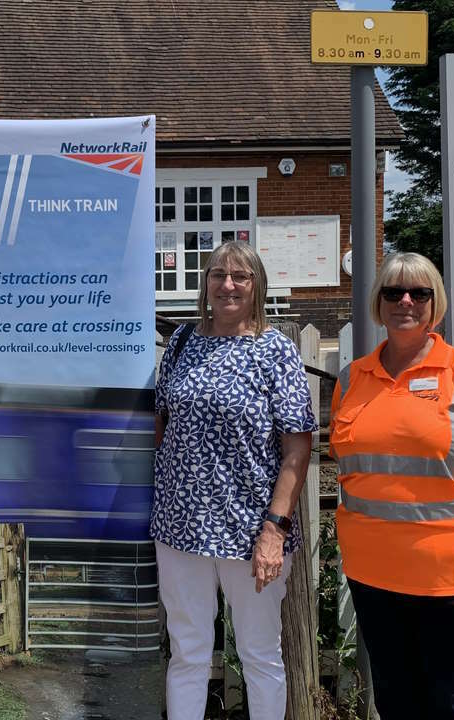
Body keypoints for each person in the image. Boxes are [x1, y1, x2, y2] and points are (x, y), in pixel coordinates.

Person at [330, 252, 454, 720]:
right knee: (396, 700)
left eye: (418, 293)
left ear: (434, 303)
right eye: (393, 292)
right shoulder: (352, 379)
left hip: (451, 573)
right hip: (374, 572)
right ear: (378, 304)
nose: (405, 301)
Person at [153, 240, 316, 719]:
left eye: (240, 276)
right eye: (218, 274)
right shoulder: (181, 343)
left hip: (252, 533)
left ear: (256, 287)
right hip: (181, 529)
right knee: (187, 653)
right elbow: (162, 424)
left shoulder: (275, 351)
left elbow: (297, 448)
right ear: (205, 285)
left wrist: (274, 530)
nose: (227, 284)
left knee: (259, 655)